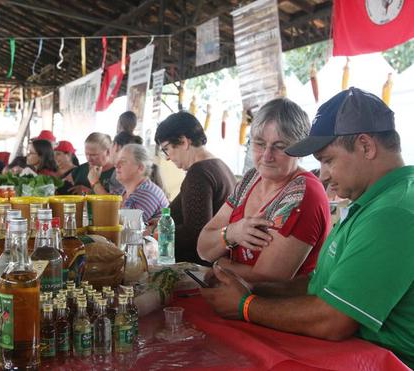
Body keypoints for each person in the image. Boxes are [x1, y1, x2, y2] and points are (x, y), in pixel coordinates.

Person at [201, 87, 414, 368]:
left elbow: (333, 320)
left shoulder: (393, 212)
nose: (323, 175)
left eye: (328, 161)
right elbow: (320, 286)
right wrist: (252, 289)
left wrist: (245, 306)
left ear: (365, 146)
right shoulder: (373, 201)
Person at [197, 99, 330, 279]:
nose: (267, 156)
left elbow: (268, 280)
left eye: (280, 146)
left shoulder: (302, 193)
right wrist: (233, 232)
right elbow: (203, 248)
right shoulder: (251, 178)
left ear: (300, 148)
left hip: (275, 306)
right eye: (260, 144)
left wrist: (220, 264)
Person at [154, 111, 238, 266]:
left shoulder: (198, 173)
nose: (167, 157)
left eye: (166, 149)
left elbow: (195, 234)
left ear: (184, 142)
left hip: (199, 270)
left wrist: (157, 233)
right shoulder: (219, 165)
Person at [116, 144, 169, 224]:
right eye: (117, 160)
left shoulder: (147, 193)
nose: (116, 165)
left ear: (140, 168)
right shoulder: (124, 191)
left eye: (123, 161)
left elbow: (126, 226)